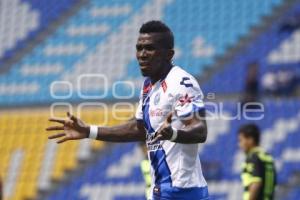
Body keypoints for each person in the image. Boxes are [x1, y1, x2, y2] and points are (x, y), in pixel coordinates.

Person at [46, 20, 209, 200]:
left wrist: (173, 134)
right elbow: (138, 128)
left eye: (149, 48)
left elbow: (200, 130)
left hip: (182, 191)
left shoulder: (181, 82)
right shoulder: (148, 86)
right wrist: (88, 131)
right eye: (139, 48)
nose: (142, 54)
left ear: (168, 54)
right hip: (162, 190)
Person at [238, 124, 276, 200]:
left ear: (250, 140)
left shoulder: (253, 157)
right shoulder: (267, 157)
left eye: (241, 140)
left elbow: (256, 183)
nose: (239, 144)